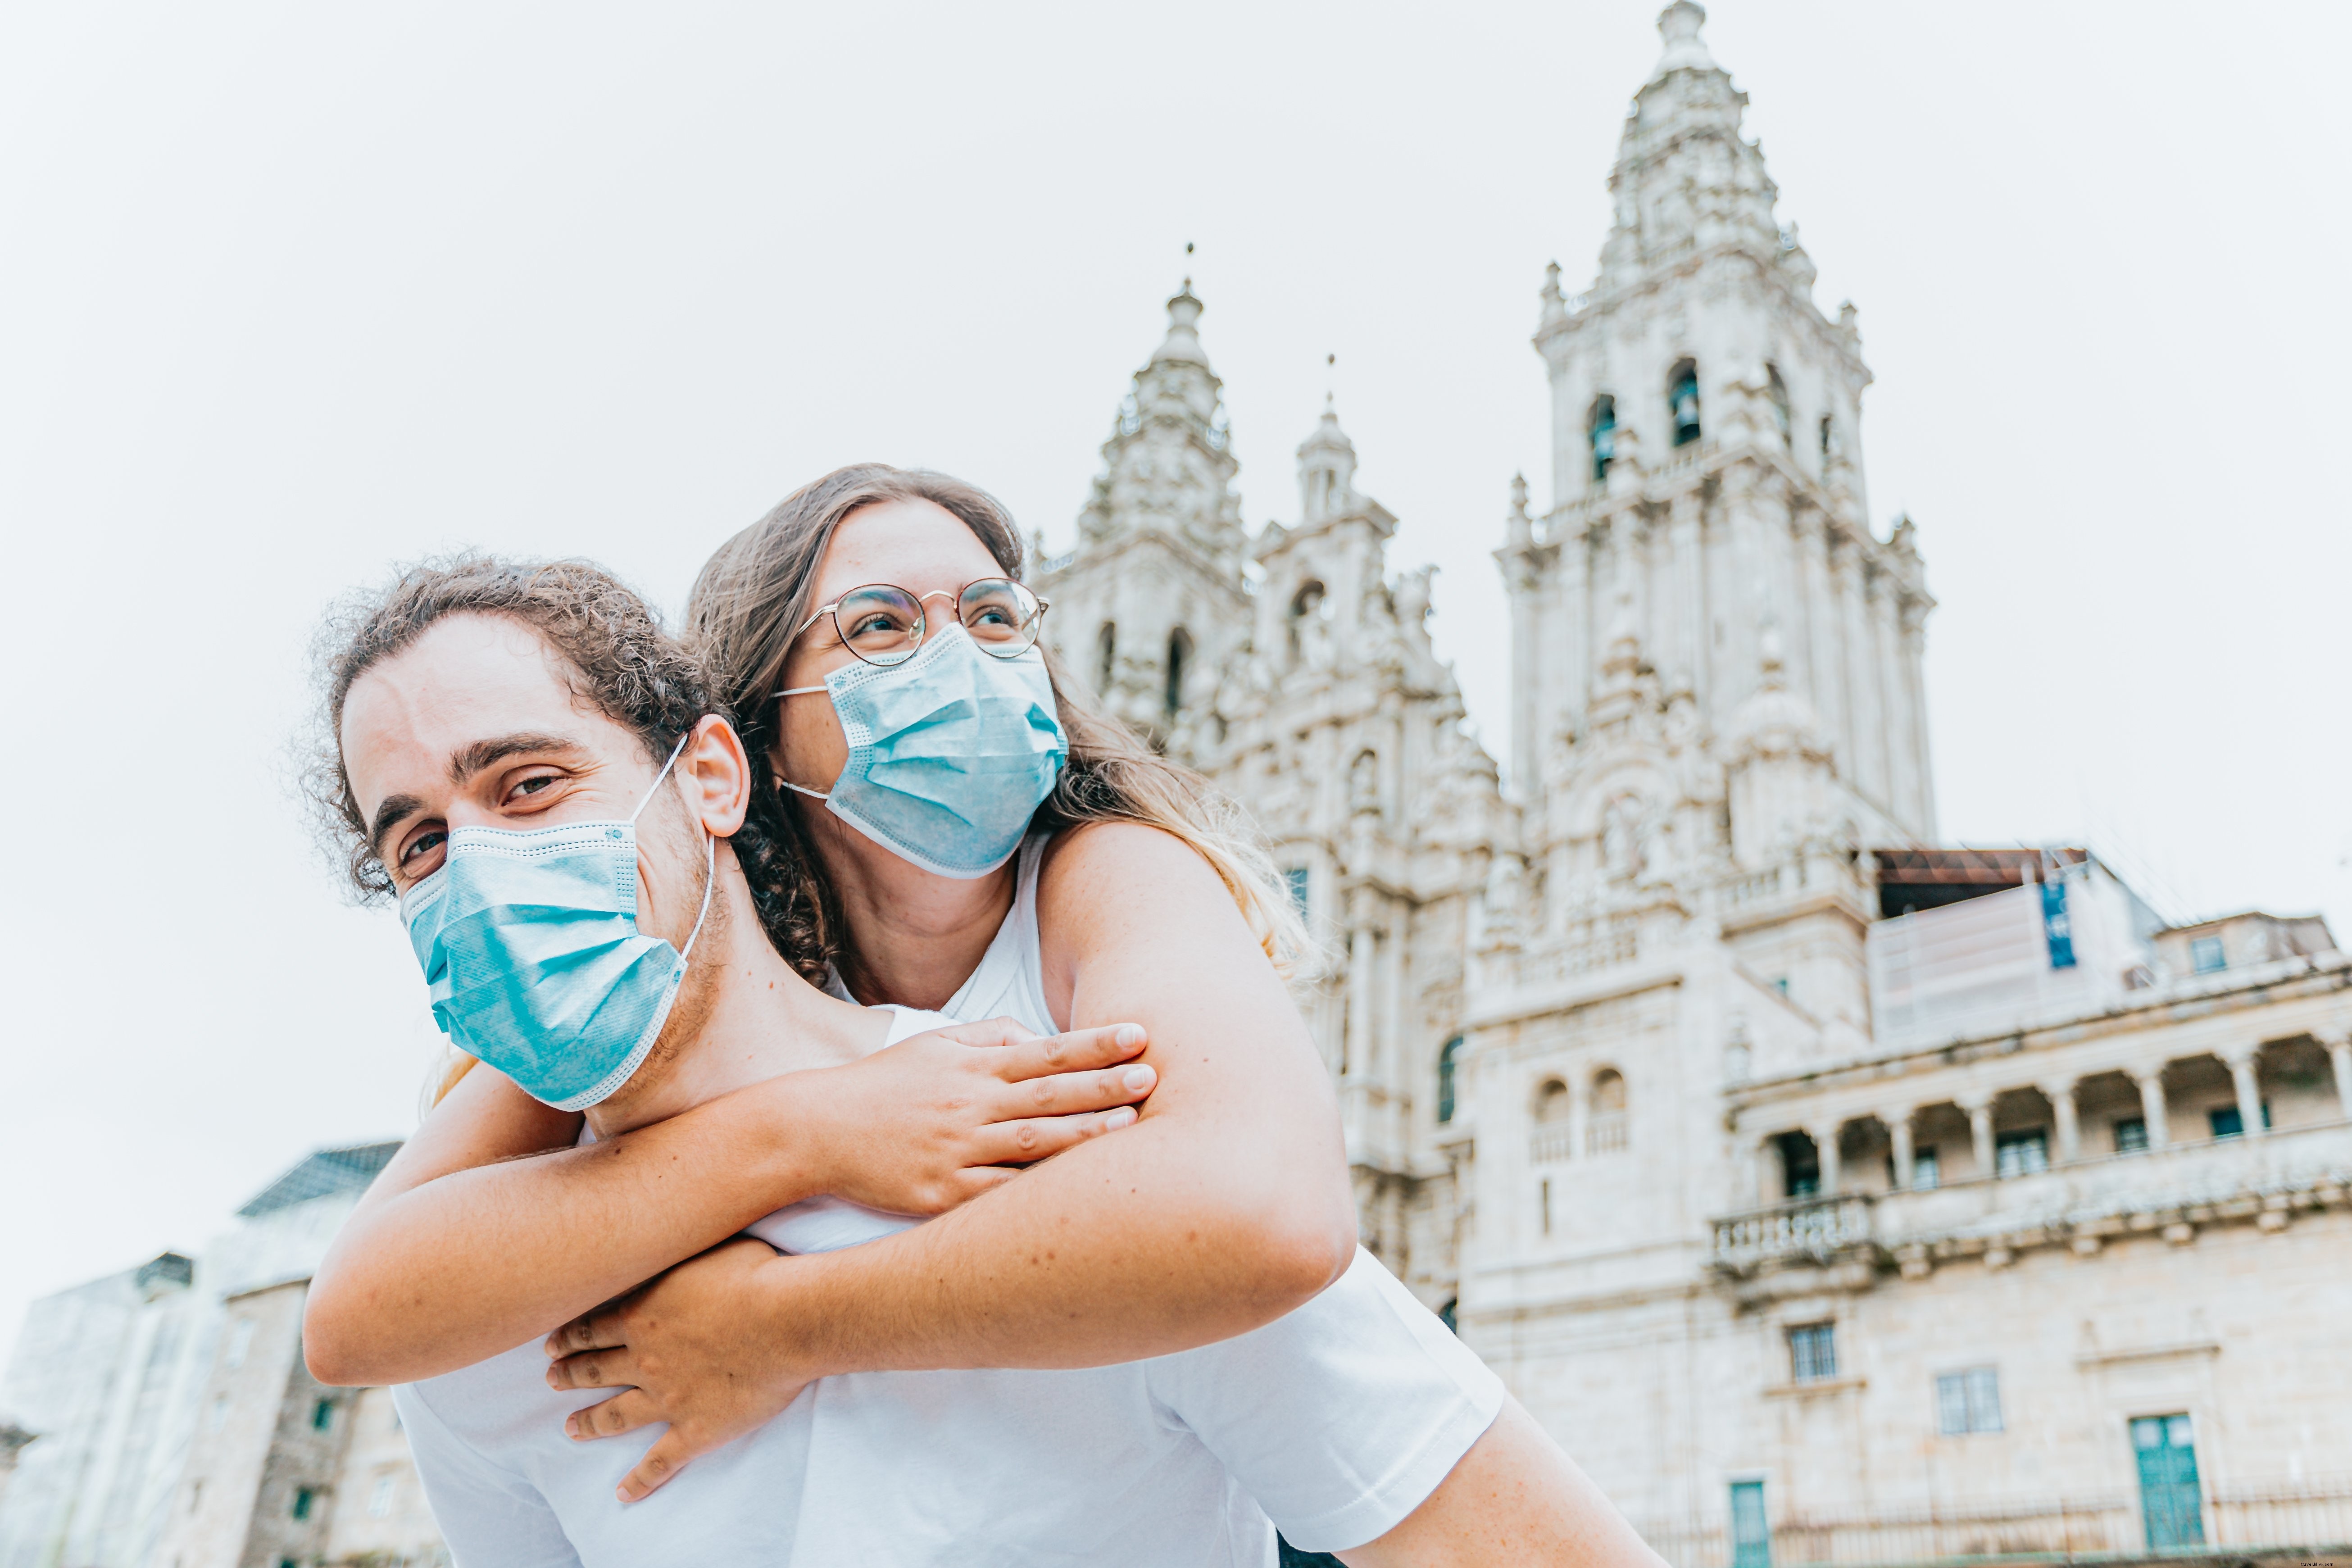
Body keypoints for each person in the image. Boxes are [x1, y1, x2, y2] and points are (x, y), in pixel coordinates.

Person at [309, 531, 1661, 1565]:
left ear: (714, 776)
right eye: (421, 842)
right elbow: (353, 1309)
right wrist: (805, 1133)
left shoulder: (1086, 1161)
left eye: (530, 783)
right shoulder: (472, 1329)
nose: (485, 871)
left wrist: (796, 1301)